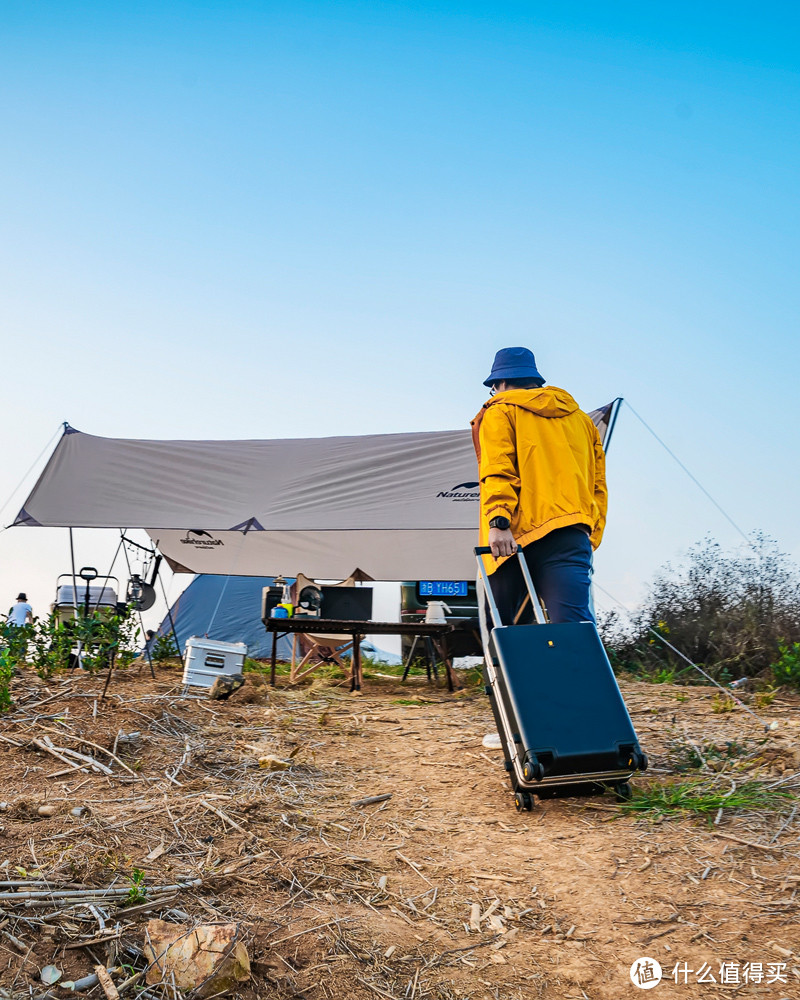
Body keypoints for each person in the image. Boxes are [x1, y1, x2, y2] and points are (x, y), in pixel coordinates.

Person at [471, 347, 607, 626]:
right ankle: (576, 671)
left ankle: (514, 671)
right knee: (574, 625)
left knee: (504, 627)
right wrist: (590, 533)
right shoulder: (582, 422)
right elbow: (598, 485)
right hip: (572, 534)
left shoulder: (501, 410)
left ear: (500, 383)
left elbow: (498, 468)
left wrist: (498, 521)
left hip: (515, 536)